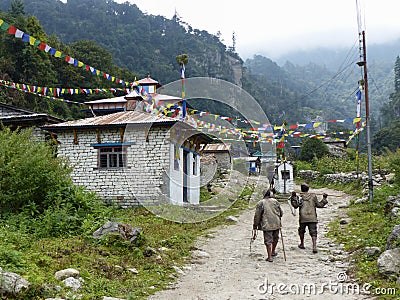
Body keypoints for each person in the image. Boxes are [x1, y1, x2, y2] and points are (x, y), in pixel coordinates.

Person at [290, 183, 328, 254]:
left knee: (301, 231)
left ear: (301, 189)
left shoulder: (300, 197)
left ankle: (302, 244)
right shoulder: (313, 196)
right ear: (308, 189)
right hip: (312, 217)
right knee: (313, 232)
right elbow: (319, 205)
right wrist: (324, 198)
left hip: (303, 217)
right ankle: (314, 246)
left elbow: (295, 206)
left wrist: (293, 197)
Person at [253, 189, 283, 262]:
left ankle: (269, 257)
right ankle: (273, 252)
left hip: (267, 224)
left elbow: (257, 215)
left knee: (268, 240)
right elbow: (281, 212)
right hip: (276, 222)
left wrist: (255, 225)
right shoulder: (275, 201)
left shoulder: (261, 203)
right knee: (275, 238)